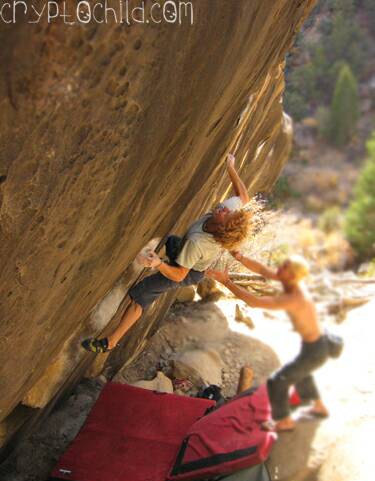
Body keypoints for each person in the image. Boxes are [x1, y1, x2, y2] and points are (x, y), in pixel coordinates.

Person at [82, 153, 252, 354]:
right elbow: (244, 197)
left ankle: (109, 342)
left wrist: (158, 265)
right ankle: (164, 261)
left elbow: (180, 274)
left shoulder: (198, 244)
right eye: (225, 208)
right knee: (172, 240)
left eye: (225, 213)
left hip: (187, 272)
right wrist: (231, 168)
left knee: (141, 293)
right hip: (182, 251)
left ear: (221, 228)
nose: (223, 207)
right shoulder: (226, 214)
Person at [208, 254, 331, 432]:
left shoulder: (294, 297)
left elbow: (255, 302)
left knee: (278, 382)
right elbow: (263, 270)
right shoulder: (292, 282)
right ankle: (319, 406)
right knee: (303, 373)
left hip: (316, 348)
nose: (279, 269)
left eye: (285, 267)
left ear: (293, 276)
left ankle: (285, 421)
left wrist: (227, 282)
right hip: (314, 345)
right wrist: (239, 256)